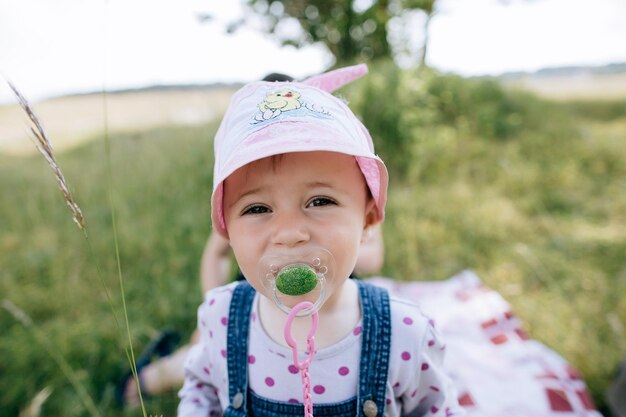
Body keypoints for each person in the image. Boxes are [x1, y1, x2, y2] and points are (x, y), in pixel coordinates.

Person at [177, 63, 464, 416]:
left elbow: (435, 409)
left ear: (369, 219)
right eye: (257, 208)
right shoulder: (220, 318)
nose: (290, 234)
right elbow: (201, 389)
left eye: (320, 201)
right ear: (226, 230)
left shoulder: (405, 334)